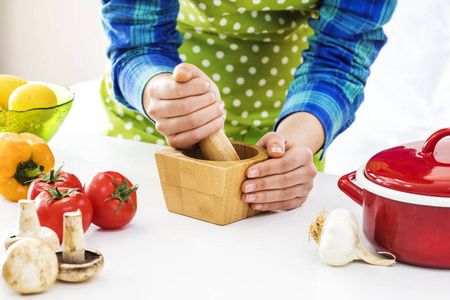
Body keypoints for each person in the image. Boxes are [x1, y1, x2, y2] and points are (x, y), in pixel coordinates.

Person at [100, 0, 397, 211]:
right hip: (154, 115)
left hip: (294, 119)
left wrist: (292, 146)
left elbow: (340, 56)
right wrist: (161, 93)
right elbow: (138, 40)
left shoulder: (293, 140)